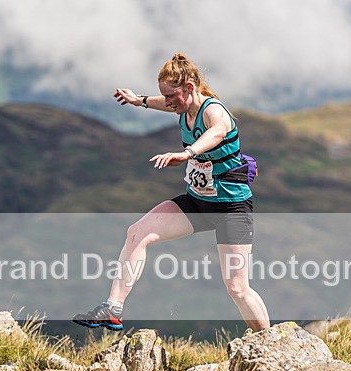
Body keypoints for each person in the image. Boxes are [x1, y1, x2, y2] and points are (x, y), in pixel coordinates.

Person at [73, 53, 270, 332]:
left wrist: (187, 153)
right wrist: (138, 100)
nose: (167, 102)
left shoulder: (214, 111)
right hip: (198, 203)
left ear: (190, 88)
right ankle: (112, 309)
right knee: (137, 233)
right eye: (163, 96)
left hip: (231, 210)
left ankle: (270, 344)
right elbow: (160, 104)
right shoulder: (183, 107)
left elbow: (217, 133)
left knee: (238, 288)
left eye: (171, 96)